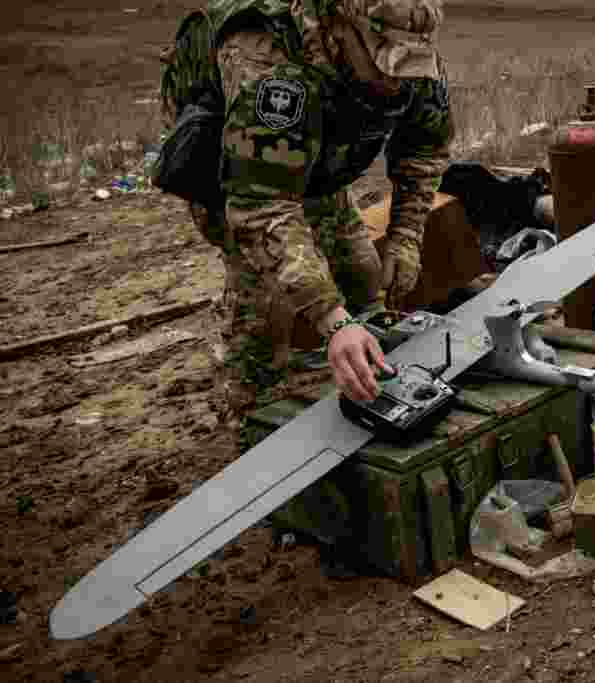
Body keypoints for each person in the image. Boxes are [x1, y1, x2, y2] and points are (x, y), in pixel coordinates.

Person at [162, 0, 451, 571]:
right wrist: (330, 318)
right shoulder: (268, 66)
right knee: (266, 300)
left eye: (408, 64)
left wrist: (407, 238)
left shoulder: (413, 62)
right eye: (384, 62)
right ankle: (258, 442)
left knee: (364, 275)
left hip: (313, 165)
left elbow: (423, 154)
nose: (396, 80)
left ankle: (365, 396)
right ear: (345, 31)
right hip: (235, 177)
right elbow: (262, 207)